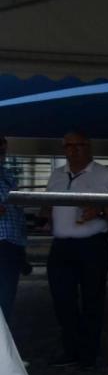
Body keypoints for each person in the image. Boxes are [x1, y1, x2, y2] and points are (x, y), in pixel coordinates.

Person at [44, 130, 108, 369]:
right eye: (68, 146)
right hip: (61, 245)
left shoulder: (105, 175)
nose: (73, 150)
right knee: (62, 301)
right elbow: (48, 206)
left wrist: (99, 211)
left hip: (92, 245)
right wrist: (46, 216)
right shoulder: (56, 175)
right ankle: (71, 349)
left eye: (78, 145)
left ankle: (88, 353)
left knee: (93, 300)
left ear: (88, 147)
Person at [0, 135, 26, 324]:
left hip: (12, 244)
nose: (1, 153)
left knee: (6, 299)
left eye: (2, 149)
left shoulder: (8, 175)